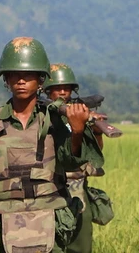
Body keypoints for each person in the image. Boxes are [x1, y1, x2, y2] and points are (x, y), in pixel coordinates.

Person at [0, 37, 104, 253]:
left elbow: (70, 163)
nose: (21, 80)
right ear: (6, 79)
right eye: (14, 74)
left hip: (50, 221)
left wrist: (78, 131)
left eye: (28, 75)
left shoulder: (55, 120)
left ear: (40, 80)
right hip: (0, 223)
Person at [43, 63, 104, 253]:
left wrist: (96, 130)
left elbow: (94, 153)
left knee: (80, 243)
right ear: (47, 90)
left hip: (77, 188)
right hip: (50, 188)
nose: (62, 92)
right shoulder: (42, 114)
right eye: (57, 88)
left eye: (66, 88)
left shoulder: (79, 113)